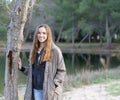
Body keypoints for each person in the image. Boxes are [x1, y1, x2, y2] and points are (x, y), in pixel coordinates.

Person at [18, 24, 66, 100]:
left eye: (44, 33)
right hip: (36, 89)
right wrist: (21, 68)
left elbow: (62, 70)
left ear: (48, 35)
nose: (41, 35)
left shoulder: (55, 51)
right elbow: (32, 71)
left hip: (49, 91)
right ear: (36, 34)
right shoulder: (34, 50)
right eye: (39, 33)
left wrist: (54, 84)